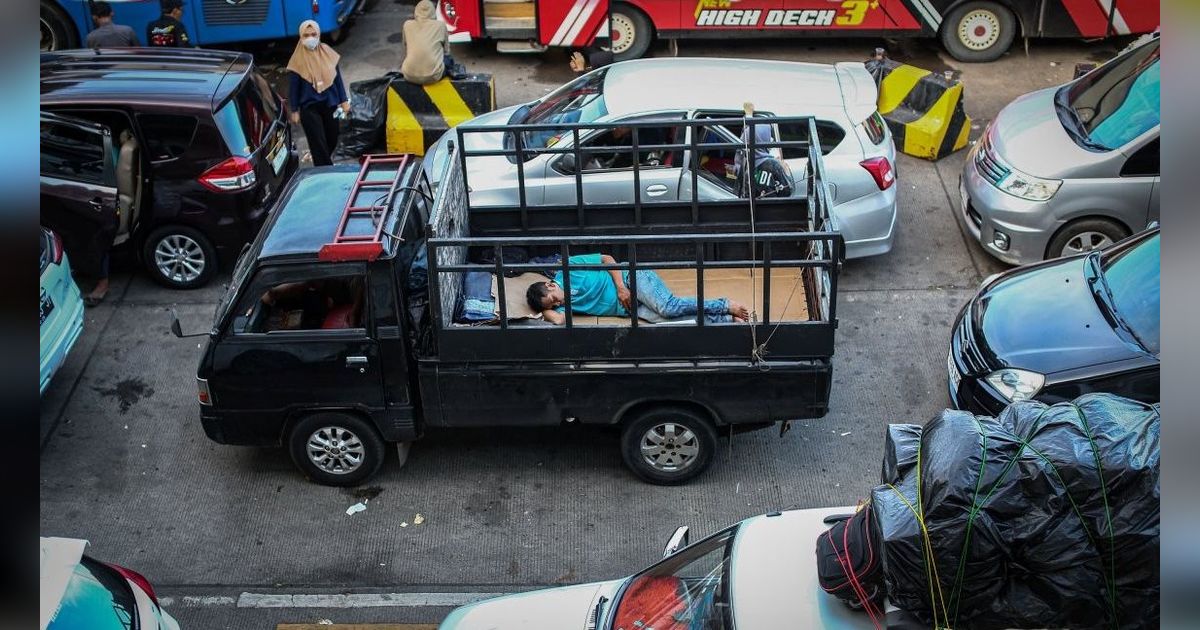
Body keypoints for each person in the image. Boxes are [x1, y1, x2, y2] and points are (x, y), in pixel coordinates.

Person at [526, 253, 749, 325]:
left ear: (550, 284)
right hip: (631, 309)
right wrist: (543, 308)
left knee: (668, 307)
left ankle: (724, 305)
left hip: (631, 280)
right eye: (553, 305)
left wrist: (621, 288)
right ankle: (726, 321)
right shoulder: (565, 305)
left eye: (553, 298)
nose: (557, 303)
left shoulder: (569, 268)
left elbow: (606, 258)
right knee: (669, 321)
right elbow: (558, 320)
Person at [286, 20, 350, 167]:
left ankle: (321, 161)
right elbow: (294, 88)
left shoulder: (328, 53)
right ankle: (325, 169)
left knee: (332, 137)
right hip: (310, 108)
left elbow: (337, 78)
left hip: (330, 103)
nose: (310, 38)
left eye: (313, 34)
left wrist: (343, 100)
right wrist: (294, 110)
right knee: (318, 142)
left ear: (319, 34)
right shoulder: (297, 60)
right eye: (306, 35)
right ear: (301, 37)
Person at [401, 0, 456, 85]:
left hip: (409, 75)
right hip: (434, 76)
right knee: (449, 60)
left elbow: (405, 46)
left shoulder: (407, 25)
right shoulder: (440, 25)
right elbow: (446, 51)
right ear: (433, 12)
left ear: (416, 11)